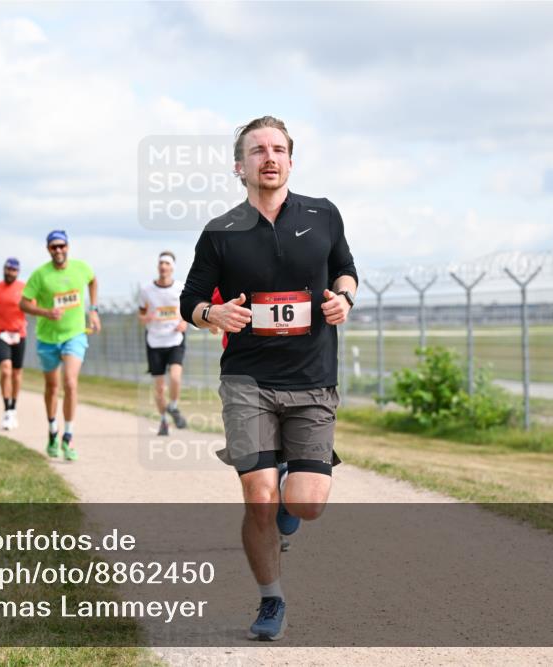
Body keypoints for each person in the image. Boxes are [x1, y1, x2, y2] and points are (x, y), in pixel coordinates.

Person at [179, 116, 357, 641]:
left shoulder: (323, 215)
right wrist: (212, 316)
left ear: (291, 161)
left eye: (278, 149)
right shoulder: (220, 232)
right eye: (258, 150)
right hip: (248, 380)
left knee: (306, 503)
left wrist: (343, 297)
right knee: (257, 494)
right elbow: (189, 300)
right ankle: (271, 600)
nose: (270, 157)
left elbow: (346, 268)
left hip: (312, 378)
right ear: (241, 166)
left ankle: (287, 506)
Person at [19, 230, 100, 461]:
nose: (58, 250)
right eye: (54, 247)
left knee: (70, 383)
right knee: (52, 387)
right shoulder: (40, 275)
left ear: (68, 247)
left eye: (61, 246)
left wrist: (93, 311)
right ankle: (53, 430)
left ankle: (69, 436)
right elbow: (23, 303)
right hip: (47, 338)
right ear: (48, 249)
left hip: (74, 335)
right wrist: (45, 312)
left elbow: (93, 280)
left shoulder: (81, 268)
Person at [138, 251, 188, 436]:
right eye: (161, 263)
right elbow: (140, 314)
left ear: (172, 267)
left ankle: (173, 407)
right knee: (159, 387)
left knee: (175, 377)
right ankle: (163, 421)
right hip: (155, 341)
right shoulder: (146, 290)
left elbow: (188, 309)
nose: (163, 267)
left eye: (167, 264)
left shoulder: (180, 288)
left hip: (175, 339)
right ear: (158, 266)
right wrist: (145, 317)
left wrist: (184, 322)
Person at [0, 258, 28, 430]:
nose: (10, 272)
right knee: (5, 368)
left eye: (13, 270)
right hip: (1, 333)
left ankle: (14, 406)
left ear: (17, 272)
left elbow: (31, 306)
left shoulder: (23, 287)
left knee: (17, 373)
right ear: (4, 270)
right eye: (8, 269)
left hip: (18, 334)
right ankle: (7, 408)